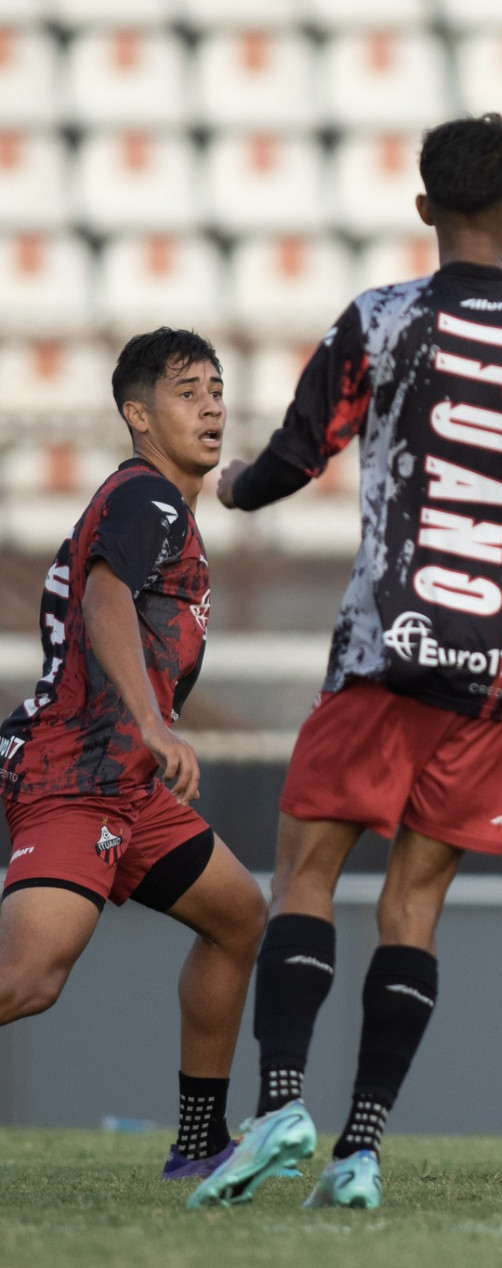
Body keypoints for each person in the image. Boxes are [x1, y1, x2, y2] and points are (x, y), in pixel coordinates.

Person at [188, 114, 502, 1211]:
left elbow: (299, 454)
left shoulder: (383, 318)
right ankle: (361, 1150)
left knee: (304, 873)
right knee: (414, 907)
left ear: (424, 206)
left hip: (387, 648)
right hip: (500, 668)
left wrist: (233, 486)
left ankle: (286, 1099)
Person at [0, 329, 268, 1181]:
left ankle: (198, 1144)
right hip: (76, 774)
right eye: (189, 391)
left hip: (126, 784)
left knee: (237, 918)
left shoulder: (157, 507)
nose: (214, 405)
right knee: (29, 980)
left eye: (218, 389)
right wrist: (154, 722)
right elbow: (105, 597)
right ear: (138, 415)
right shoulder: (147, 500)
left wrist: (146, 741)